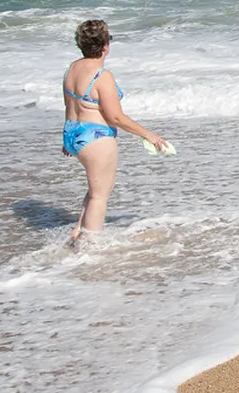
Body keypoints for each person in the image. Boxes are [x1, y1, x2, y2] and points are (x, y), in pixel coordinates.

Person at [62, 20, 167, 241]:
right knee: (100, 196)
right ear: (105, 46)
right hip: (96, 138)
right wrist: (148, 134)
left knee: (95, 188)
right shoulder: (102, 76)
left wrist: (66, 141)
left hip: (73, 133)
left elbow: (69, 105)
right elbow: (115, 117)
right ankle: (91, 246)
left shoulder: (72, 68)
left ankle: (78, 231)